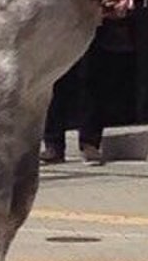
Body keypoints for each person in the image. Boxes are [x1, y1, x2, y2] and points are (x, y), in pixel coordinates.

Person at [42, 10, 137, 166]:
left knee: (90, 82)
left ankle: (89, 143)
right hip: (61, 26)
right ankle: (53, 145)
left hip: (93, 24)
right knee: (56, 83)